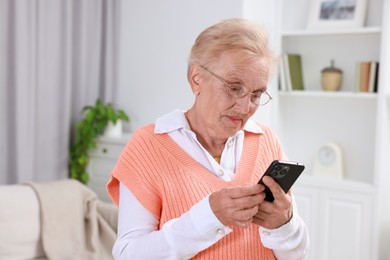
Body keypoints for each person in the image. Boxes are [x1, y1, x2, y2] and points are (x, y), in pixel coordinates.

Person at [107, 18, 309, 259]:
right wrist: (208, 218)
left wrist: (284, 225)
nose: (245, 107)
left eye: (256, 94)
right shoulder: (149, 145)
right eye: (234, 87)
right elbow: (128, 254)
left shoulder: (266, 140)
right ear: (196, 79)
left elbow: (296, 254)